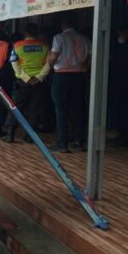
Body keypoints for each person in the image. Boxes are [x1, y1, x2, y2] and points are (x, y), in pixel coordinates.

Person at [46, 13, 92, 152]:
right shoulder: (84, 38)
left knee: (61, 110)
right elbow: (91, 55)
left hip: (61, 76)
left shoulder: (59, 38)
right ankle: (79, 141)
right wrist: (84, 65)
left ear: (63, 24)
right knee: (78, 109)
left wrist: (49, 60)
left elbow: (53, 57)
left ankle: (62, 143)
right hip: (79, 76)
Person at [2, 23, 50, 143]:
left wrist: (26, 78)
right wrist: (39, 77)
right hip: (39, 83)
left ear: (25, 33)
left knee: (16, 107)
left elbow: (14, 64)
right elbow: (49, 63)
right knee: (35, 108)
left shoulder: (18, 45)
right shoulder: (45, 46)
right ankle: (30, 137)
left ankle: (10, 134)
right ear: (37, 32)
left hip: (23, 82)